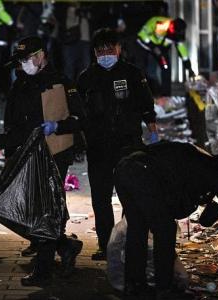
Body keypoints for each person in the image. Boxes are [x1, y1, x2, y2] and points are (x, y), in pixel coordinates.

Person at [0, 36, 84, 285]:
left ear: (40, 55)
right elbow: (18, 126)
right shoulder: (21, 84)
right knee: (29, 208)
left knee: (45, 210)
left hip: (55, 153)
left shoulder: (60, 82)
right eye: (20, 61)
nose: (23, 64)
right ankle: (65, 246)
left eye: (26, 59)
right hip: (29, 153)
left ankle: (43, 271)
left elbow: (80, 119)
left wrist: (58, 126)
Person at [114, 141, 218, 299]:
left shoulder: (197, 161)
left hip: (125, 170)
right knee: (165, 229)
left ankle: (134, 286)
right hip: (142, 175)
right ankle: (163, 288)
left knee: (138, 229)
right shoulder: (211, 168)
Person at [77, 28, 157, 261]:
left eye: (110, 49)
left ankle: (127, 241)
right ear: (94, 52)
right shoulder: (86, 78)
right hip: (98, 147)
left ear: (119, 49)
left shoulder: (132, 74)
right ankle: (106, 245)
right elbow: (78, 112)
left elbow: (146, 103)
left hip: (127, 144)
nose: (105, 54)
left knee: (130, 195)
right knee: (100, 198)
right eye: (100, 50)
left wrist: (153, 131)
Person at [135, 16, 195, 96]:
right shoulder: (161, 24)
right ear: (172, 27)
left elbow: (183, 52)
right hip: (144, 46)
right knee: (143, 69)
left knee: (166, 67)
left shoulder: (178, 34)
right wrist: (153, 46)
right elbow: (143, 34)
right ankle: (141, 94)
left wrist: (189, 68)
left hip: (160, 49)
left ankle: (165, 96)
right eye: (177, 32)